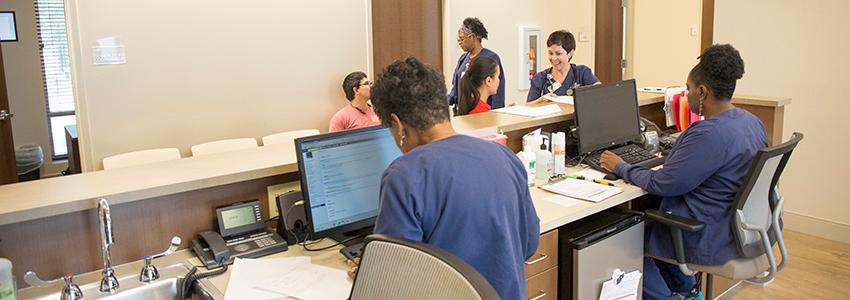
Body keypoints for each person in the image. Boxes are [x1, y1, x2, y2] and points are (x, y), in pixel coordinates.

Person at [599, 44, 766, 300]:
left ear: (702, 91)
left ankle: (670, 297)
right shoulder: (750, 122)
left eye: (687, 89)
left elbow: (663, 183)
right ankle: (686, 292)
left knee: (626, 236)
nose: (686, 95)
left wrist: (620, 166)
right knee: (650, 225)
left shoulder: (709, 133)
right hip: (736, 229)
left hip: (707, 235)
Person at [368, 57, 540, 300]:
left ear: (397, 125)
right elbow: (529, 244)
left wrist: (370, 271)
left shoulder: (404, 175)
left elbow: (395, 282)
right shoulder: (503, 155)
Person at [448, 17, 506, 113]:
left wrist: (496, 114)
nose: (460, 43)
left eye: (462, 39)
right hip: (462, 113)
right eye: (459, 40)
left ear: (472, 37)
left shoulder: (491, 58)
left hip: (483, 114)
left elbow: (498, 94)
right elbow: (455, 92)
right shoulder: (463, 59)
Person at [527, 30, 600, 104]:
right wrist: (541, 100)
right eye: (550, 53)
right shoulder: (540, 78)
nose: (554, 58)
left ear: (570, 53)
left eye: (558, 53)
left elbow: (600, 94)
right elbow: (528, 106)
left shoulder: (582, 73)